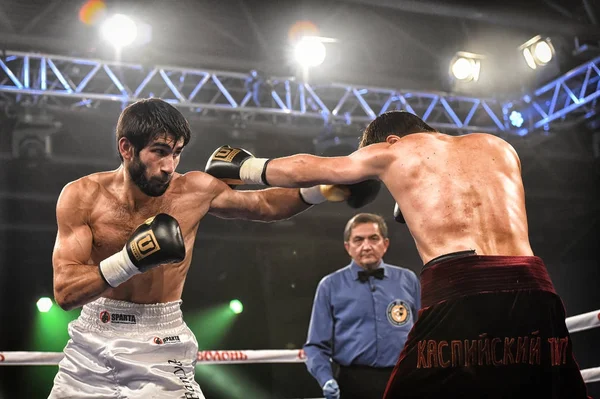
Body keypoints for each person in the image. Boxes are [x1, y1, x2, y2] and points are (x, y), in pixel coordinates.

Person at [213, 110, 590, 398]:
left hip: (463, 288)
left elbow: (312, 168)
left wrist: (246, 166)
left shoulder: (395, 151)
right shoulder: (498, 146)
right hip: (535, 285)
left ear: (390, 140)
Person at [48, 98, 381, 398]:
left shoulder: (192, 190)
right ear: (126, 148)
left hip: (160, 338)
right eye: (160, 152)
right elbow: (65, 292)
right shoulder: (81, 196)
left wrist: (321, 191)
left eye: (177, 153)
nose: (169, 166)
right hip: (93, 340)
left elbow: (263, 204)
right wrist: (130, 259)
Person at [304, 213, 420, 399]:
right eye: (358, 240)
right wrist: (325, 379)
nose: (366, 246)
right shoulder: (330, 285)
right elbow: (316, 346)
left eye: (373, 238)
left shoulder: (408, 279)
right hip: (353, 383)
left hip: (403, 380)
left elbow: (423, 334)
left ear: (385, 244)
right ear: (348, 247)